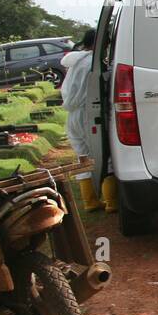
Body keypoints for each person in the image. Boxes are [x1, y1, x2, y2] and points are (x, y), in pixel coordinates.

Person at [59, 29, 101, 210]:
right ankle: (110, 201)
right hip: (88, 113)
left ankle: (89, 201)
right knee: (101, 153)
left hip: (72, 115)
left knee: (82, 156)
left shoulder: (75, 62)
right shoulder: (92, 62)